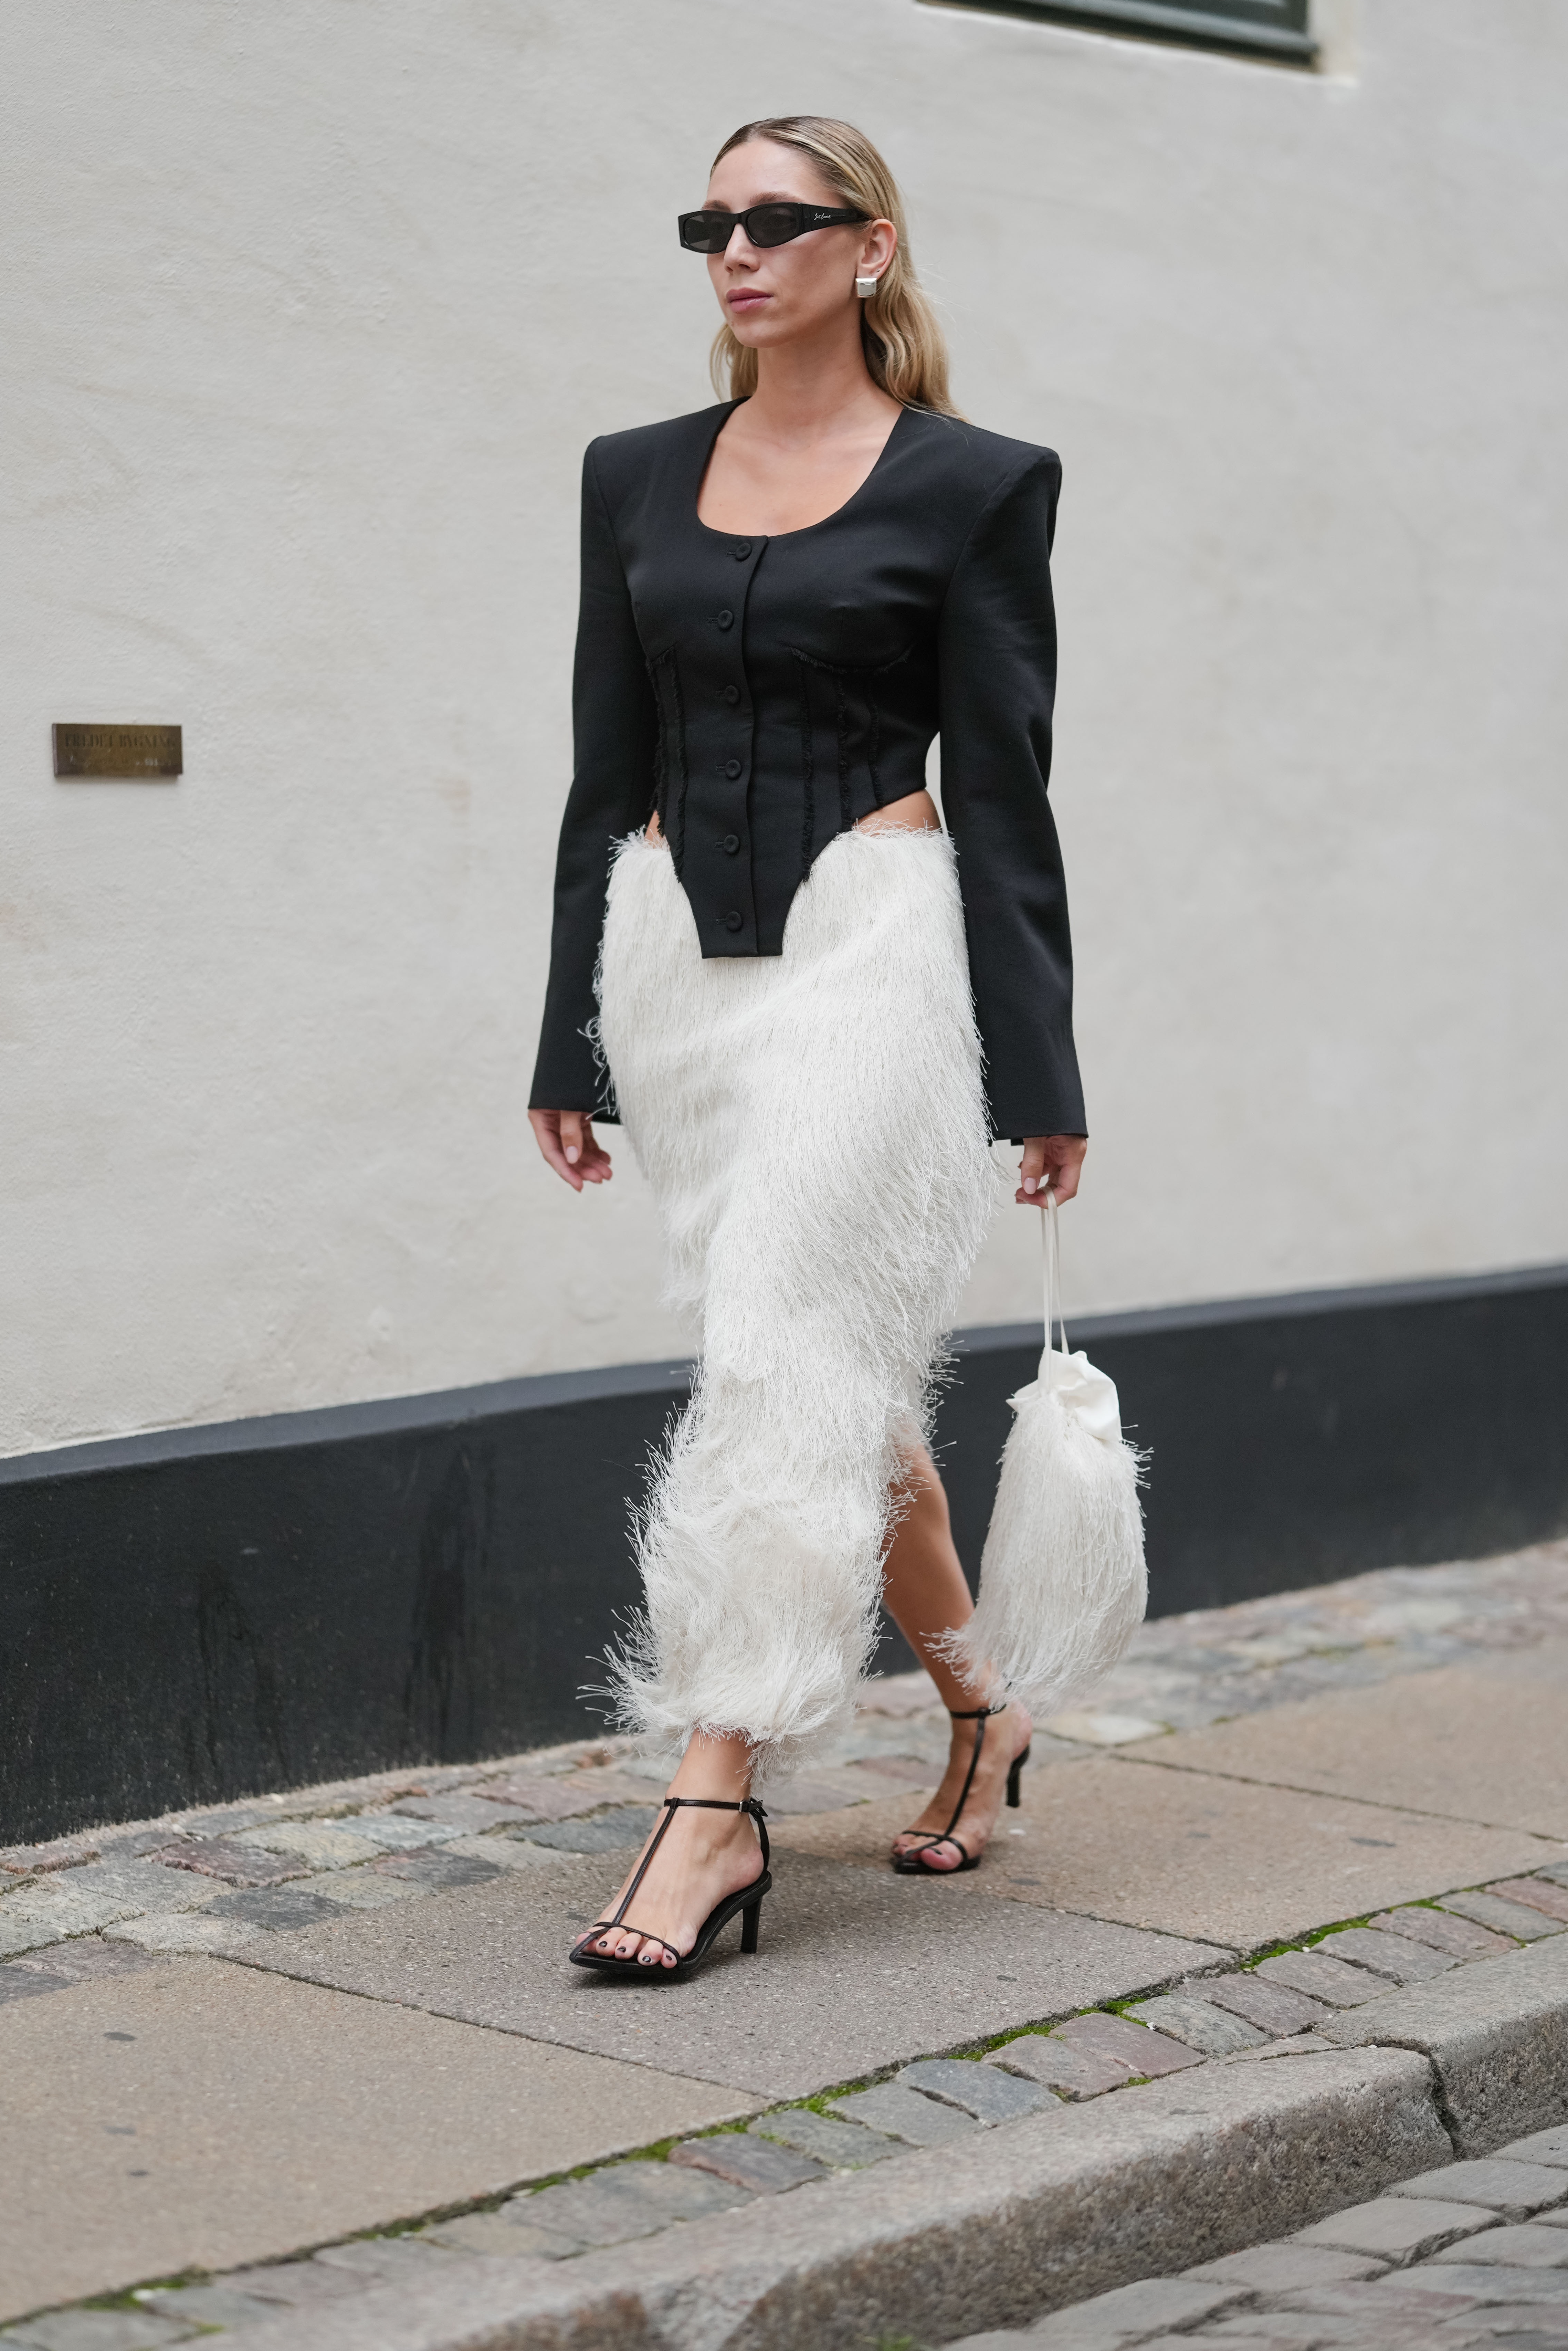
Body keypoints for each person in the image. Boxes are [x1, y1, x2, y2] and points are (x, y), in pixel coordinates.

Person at [528, 114, 1086, 1979]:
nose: (739, 250)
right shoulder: (632, 475)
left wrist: (1040, 1070)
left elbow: (1006, 794)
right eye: (713, 222)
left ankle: (714, 1804)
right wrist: (567, 1038)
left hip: (878, 954)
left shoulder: (979, 485)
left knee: (778, 1351)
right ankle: (985, 1704)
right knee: (834, 1372)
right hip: (678, 971)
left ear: (872, 245)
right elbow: (603, 778)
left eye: (779, 220)